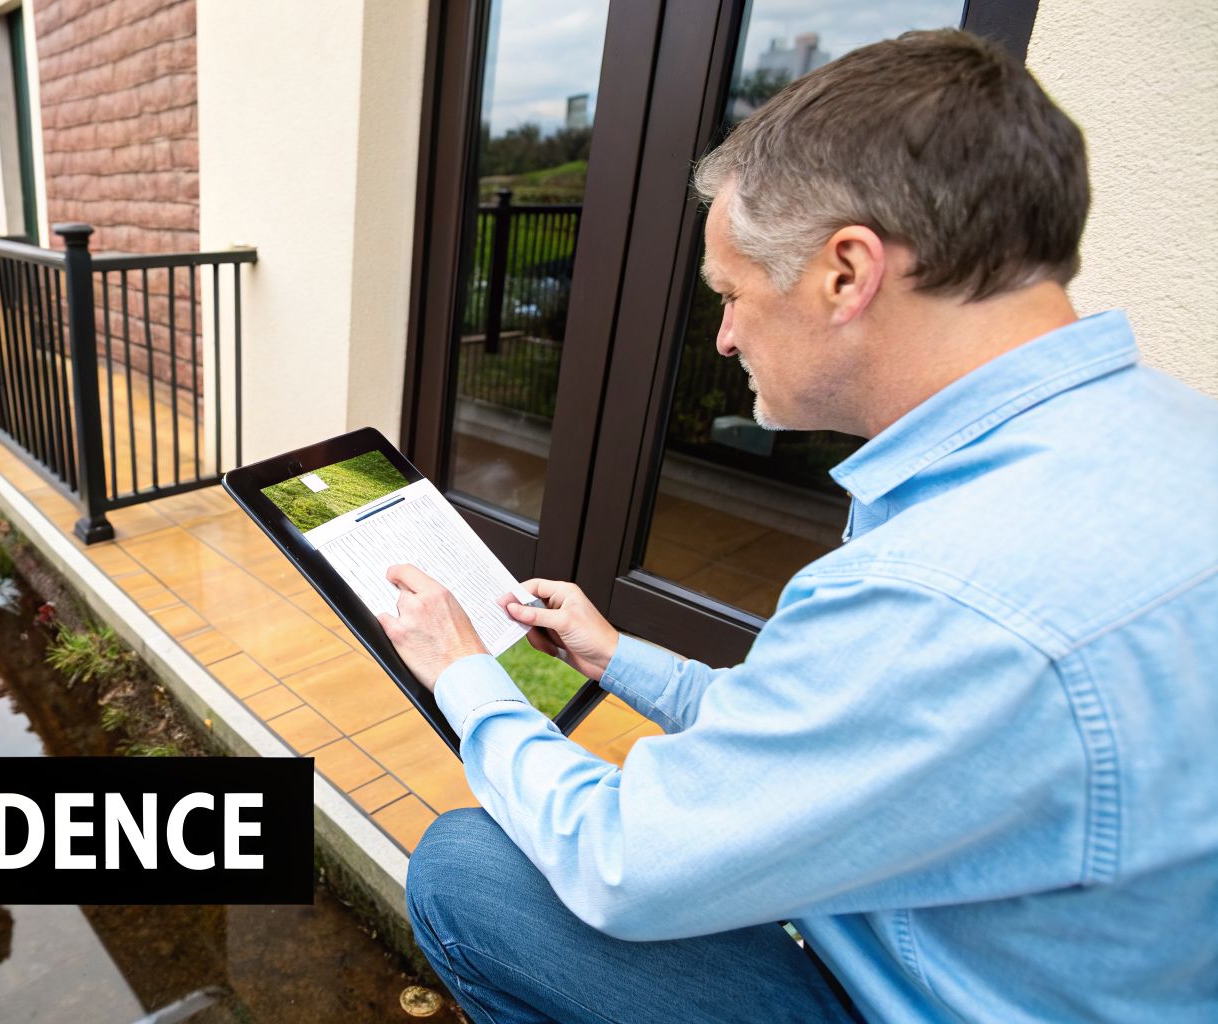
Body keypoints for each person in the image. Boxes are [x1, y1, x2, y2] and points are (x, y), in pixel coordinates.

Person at [380, 30, 1216, 1024]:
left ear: (843, 271)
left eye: (731, 293)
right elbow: (839, 728)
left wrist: (462, 673)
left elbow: (620, 860)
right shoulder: (1165, 435)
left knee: (470, 874)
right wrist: (622, 658)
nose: (724, 334)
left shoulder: (941, 586)